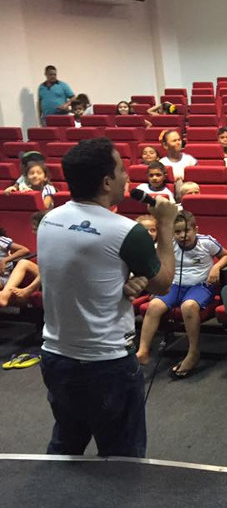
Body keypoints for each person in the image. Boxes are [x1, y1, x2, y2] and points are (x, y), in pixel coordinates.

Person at [37, 137, 178, 457]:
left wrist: (127, 279)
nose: (127, 176)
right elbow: (163, 284)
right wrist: (165, 224)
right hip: (106, 363)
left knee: (66, 445)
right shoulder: (126, 231)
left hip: (56, 357)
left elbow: (87, 271)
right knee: (121, 459)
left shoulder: (49, 219)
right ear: (105, 182)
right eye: (121, 169)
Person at [136, 210, 227, 378]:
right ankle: (143, 350)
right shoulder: (169, 244)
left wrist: (216, 267)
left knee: (188, 306)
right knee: (154, 305)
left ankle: (193, 352)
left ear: (195, 229)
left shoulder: (206, 242)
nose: (182, 235)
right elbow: (160, 265)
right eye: (177, 232)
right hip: (175, 285)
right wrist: (158, 287)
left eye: (186, 230)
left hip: (200, 285)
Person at [0, 212, 44, 308]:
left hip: (59, 275)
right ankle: (4, 295)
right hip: (46, 273)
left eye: (35, 229)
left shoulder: (56, 242)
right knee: (23, 263)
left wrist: (28, 289)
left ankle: (27, 290)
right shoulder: (44, 241)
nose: (32, 232)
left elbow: (49, 270)